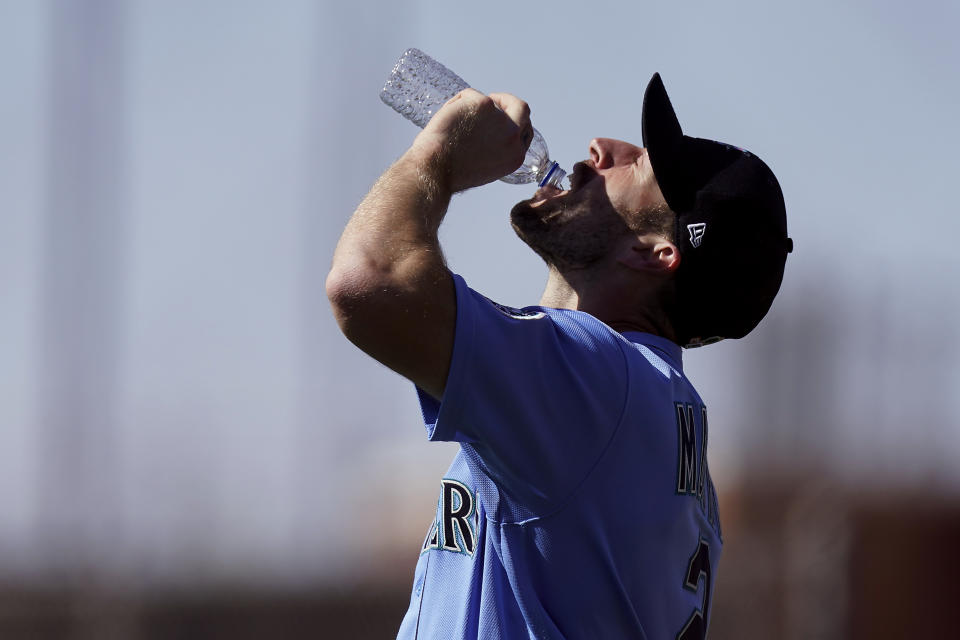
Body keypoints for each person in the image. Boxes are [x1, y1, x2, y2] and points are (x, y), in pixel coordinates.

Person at [326, 72, 792, 639]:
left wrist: (440, 157)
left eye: (643, 166)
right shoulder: (649, 403)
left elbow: (370, 284)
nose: (601, 148)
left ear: (657, 252)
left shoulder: (600, 384)